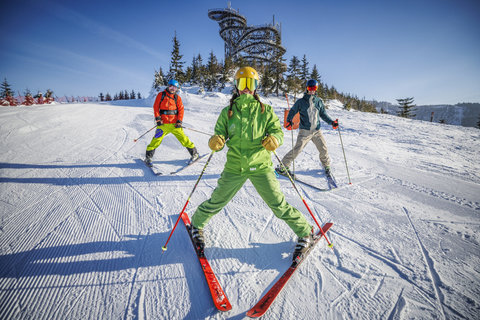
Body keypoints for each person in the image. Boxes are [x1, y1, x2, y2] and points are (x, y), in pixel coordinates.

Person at [189, 66, 314, 261]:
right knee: (217, 201)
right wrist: (217, 140)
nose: (246, 88)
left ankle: (305, 231)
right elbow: (219, 133)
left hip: (261, 166)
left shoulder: (265, 111)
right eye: (242, 83)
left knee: (278, 204)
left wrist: (274, 139)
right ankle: (196, 225)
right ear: (236, 87)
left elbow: (278, 132)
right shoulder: (228, 112)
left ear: (256, 87)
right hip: (235, 167)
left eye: (250, 83)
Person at [276, 79, 338, 177]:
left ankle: (326, 166)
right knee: (298, 149)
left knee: (323, 148)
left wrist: (332, 122)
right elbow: (292, 111)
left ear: (316, 89)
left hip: (317, 131)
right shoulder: (301, 102)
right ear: (307, 88)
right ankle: (283, 166)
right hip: (305, 131)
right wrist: (289, 120)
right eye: (310, 88)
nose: (312, 90)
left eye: (314, 88)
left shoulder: (319, 101)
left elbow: (323, 114)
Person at [145, 79, 199, 166]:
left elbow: (181, 110)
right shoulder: (161, 95)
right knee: (156, 140)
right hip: (163, 124)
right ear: (168, 86)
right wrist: (158, 119)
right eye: (171, 86)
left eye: (175, 87)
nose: (172, 88)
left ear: (176, 88)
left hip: (175, 124)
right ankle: (148, 157)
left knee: (184, 139)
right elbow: (156, 107)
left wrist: (179, 121)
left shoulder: (177, 98)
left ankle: (194, 154)